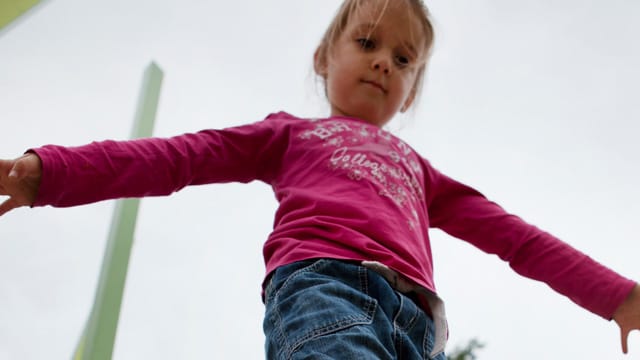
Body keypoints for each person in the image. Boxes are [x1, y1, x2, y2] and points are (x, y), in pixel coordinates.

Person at [1, 0, 639, 358]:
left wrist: (617, 296)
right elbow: (179, 157)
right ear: (323, 59)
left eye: (404, 58)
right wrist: (51, 171)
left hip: (421, 324)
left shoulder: (420, 173)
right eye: (367, 42)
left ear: (411, 91)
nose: (385, 62)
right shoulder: (290, 134)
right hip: (325, 286)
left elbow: (516, 238)